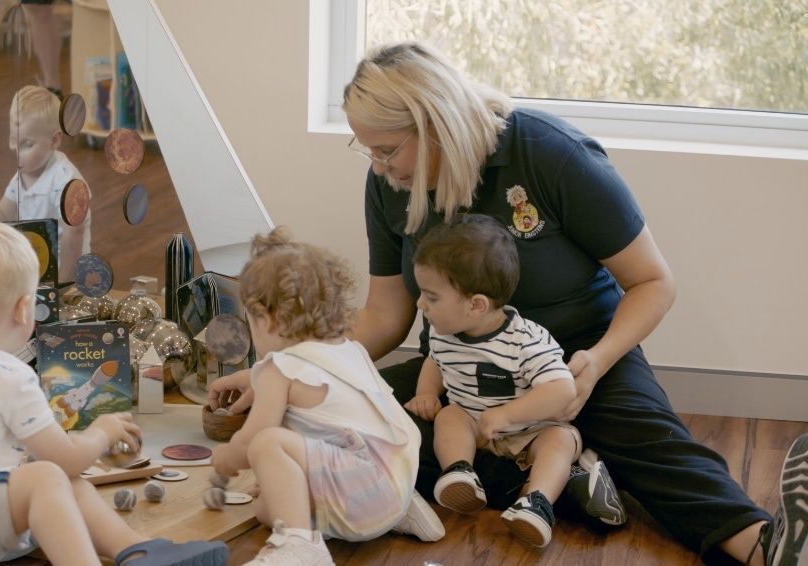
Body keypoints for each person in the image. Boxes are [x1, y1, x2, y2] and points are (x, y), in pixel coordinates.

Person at [211, 41, 808, 564]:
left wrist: (597, 362)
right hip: (458, 372)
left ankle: (765, 544)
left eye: (387, 149)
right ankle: (563, 474)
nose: (378, 165)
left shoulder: (550, 154)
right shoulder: (389, 187)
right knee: (355, 425)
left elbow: (654, 282)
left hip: (576, 362)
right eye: (367, 150)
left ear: (435, 124)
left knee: (654, 449)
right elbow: (386, 317)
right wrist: (276, 373)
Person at [0, 221, 227, 566]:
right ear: (24, 310)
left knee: (57, 478)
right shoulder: (10, 375)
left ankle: (137, 550)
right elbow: (68, 457)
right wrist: (101, 432)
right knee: (51, 474)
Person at [208, 227, 443, 565]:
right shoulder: (349, 350)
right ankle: (402, 511)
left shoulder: (281, 367)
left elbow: (252, 442)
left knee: (266, 443)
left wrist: (228, 458)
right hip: (396, 480)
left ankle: (300, 548)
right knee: (265, 506)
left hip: (361, 495)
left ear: (268, 320)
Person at [406, 214, 619, 548]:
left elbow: (561, 388)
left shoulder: (525, 341)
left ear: (476, 305)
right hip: (476, 427)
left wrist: (508, 416)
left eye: (431, 297)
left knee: (561, 440)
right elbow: (435, 360)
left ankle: (538, 503)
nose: (420, 304)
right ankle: (460, 471)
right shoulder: (442, 332)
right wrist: (427, 392)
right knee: (449, 416)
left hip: (529, 435)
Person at [0, 85, 90, 282]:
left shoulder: (66, 182)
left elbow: (74, 237)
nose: (18, 153)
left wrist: (63, 284)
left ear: (54, 140)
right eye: (14, 141)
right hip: (36, 263)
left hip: (69, 270)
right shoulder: (23, 174)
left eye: (28, 145)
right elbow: (4, 212)